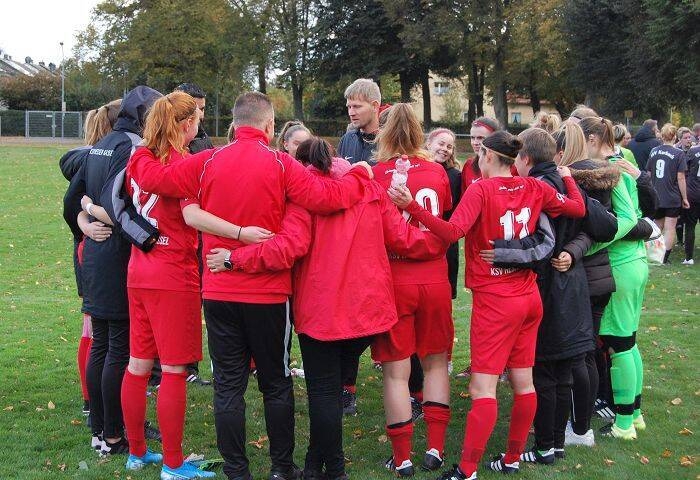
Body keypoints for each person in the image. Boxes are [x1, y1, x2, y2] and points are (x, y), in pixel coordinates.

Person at [120, 91, 375, 480]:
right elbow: (327, 197)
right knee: (275, 384)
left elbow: (153, 177)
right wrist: (360, 173)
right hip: (268, 295)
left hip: (219, 290)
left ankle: (237, 471)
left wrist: (140, 148)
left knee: (228, 386)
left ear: (234, 126)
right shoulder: (282, 164)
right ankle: (280, 468)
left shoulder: (206, 160)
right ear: (270, 127)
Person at [215, 136, 445, 480]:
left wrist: (234, 258)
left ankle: (334, 469)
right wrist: (442, 237)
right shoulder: (368, 188)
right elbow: (403, 238)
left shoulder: (303, 196)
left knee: (324, 393)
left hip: (322, 310)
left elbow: (288, 247)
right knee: (332, 390)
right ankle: (314, 465)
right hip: (368, 310)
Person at [389, 131, 586, 479]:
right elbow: (578, 208)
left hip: (497, 300)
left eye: (480, 153)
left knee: (483, 388)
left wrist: (411, 207)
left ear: (489, 157)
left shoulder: (480, 189)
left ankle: (467, 469)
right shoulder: (535, 186)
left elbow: (451, 233)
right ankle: (511, 459)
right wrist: (568, 179)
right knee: (523, 382)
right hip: (529, 297)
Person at [63, 85, 163, 455]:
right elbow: (121, 209)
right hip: (118, 255)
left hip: (96, 255)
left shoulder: (103, 143)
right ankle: (113, 432)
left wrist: (84, 215)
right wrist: (147, 236)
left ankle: (101, 427)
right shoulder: (133, 149)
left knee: (103, 344)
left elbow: (77, 197)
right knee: (117, 348)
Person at [509, 128, 614, 465]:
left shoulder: (540, 188)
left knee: (547, 371)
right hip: (568, 290)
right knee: (561, 371)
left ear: (525, 159)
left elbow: (598, 226)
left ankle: (546, 445)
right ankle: (554, 442)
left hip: (551, 289)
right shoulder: (565, 182)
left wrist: (571, 250)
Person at [370, 104, 454, 477]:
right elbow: (441, 220)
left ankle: (402, 455)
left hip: (395, 276)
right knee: (435, 362)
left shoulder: (375, 174)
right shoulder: (437, 172)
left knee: (395, 372)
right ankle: (434, 447)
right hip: (434, 276)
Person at [578, 116, 649, 440]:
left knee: (619, 346)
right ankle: (634, 415)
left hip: (621, 263)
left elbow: (627, 218)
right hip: (634, 262)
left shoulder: (612, 169)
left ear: (592, 139)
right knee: (629, 343)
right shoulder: (623, 162)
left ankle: (622, 425)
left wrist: (597, 242)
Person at [59, 98, 122, 418]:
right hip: (93, 252)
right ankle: (91, 400)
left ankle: (97, 400)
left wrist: (83, 223)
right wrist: (84, 227)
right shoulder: (95, 159)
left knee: (97, 332)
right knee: (95, 332)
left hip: (92, 249)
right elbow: (72, 204)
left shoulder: (96, 157)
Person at [646, 123, 689, 264]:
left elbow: (648, 174)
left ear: (662, 136)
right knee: (670, 228)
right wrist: (685, 198)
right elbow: (681, 177)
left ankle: (654, 254)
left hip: (656, 196)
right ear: (675, 136)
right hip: (672, 197)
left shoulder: (654, 151)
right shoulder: (678, 153)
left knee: (657, 226)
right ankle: (664, 258)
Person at [426, 128, 461, 299]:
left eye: (449, 146)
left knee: (443, 299)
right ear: (428, 144)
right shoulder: (417, 169)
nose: (445, 149)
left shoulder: (455, 176)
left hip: (446, 244)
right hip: (420, 240)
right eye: (441, 144)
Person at [337, 78, 381, 164]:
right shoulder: (347, 139)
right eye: (349, 107)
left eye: (357, 106)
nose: (351, 113)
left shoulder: (391, 143)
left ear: (375, 106)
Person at [461, 117, 500, 193]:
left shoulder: (509, 167)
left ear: (495, 138)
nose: (475, 143)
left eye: (480, 138)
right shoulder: (469, 165)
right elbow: (464, 197)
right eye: (472, 138)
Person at [175, 83, 214, 154]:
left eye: (202, 109)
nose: (201, 115)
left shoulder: (204, 138)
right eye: (195, 110)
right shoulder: (160, 144)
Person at [682, 144, 700, 264]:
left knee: (690, 226)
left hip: (693, 192)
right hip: (694, 191)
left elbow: (684, 170)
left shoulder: (692, 151)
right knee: (690, 226)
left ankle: (689, 258)